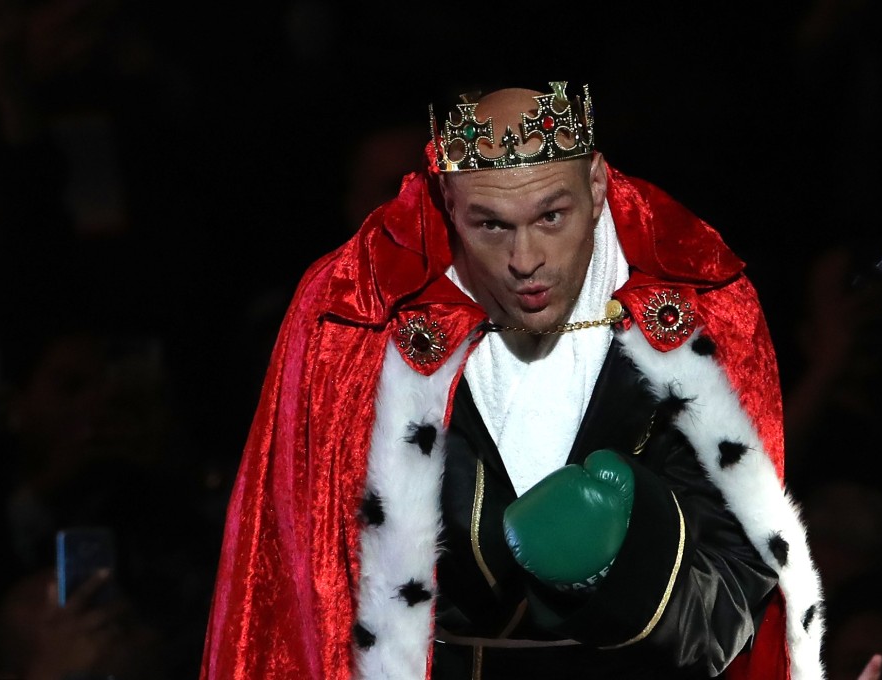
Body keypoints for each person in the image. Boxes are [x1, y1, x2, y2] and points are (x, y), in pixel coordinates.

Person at [199, 81, 830, 679]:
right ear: (449, 203)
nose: (525, 260)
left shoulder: (694, 305)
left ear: (597, 183)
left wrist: (627, 567)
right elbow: (298, 578)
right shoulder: (360, 315)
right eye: (490, 224)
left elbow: (740, 581)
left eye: (551, 216)